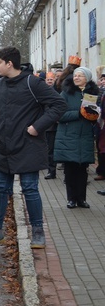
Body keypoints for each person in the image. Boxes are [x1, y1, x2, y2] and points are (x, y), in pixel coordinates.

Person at [0, 48, 66, 251]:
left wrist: (37, 126)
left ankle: (38, 232)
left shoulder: (32, 83)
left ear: (9, 63)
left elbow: (58, 105)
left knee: (30, 189)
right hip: (3, 146)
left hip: (29, 146)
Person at [54, 66, 99, 209]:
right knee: (70, 169)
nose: (76, 78)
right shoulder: (66, 93)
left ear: (87, 78)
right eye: (75, 75)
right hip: (68, 136)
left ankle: (82, 199)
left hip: (85, 136)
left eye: (80, 75)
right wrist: (78, 114)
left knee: (82, 169)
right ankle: (71, 199)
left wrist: (93, 115)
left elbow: (96, 115)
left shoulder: (92, 94)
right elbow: (59, 115)